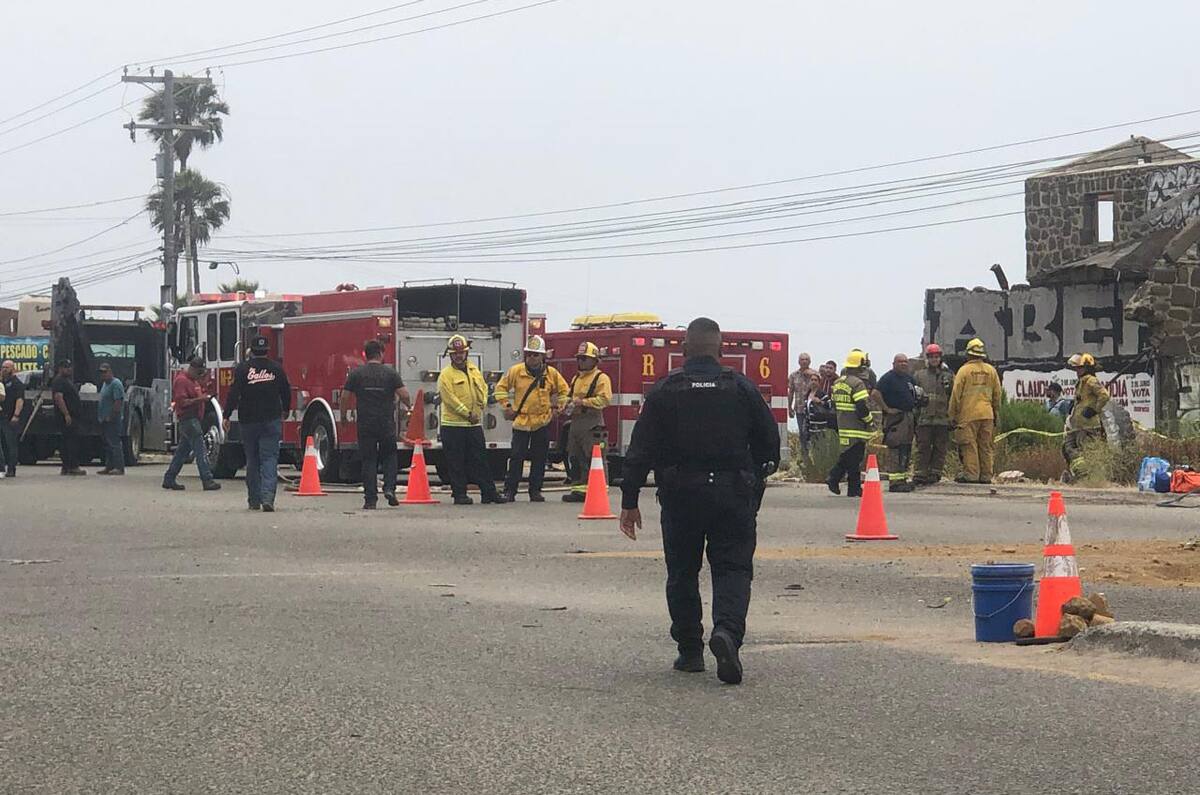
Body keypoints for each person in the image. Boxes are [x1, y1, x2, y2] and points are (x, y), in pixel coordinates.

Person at [619, 317, 779, 685]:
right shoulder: (741, 388)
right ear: (721, 350)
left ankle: (690, 651)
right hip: (732, 494)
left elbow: (640, 450)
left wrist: (630, 500)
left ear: (684, 350)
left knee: (682, 573)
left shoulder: (665, 390)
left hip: (681, 496)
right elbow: (770, 443)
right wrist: (753, 482)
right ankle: (727, 634)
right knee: (733, 569)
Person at [494, 334, 567, 503]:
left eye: (535, 354)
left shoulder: (551, 374)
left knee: (539, 458)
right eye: (529, 354)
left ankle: (535, 491)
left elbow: (564, 391)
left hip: (542, 421)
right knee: (516, 457)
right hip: (522, 422)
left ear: (542, 356)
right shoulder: (516, 371)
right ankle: (510, 490)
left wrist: (560, 407)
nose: (532, 357)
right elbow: (500, 389)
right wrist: (507, 407)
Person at [223, 335, 290, 512]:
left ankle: (254, 499)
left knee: (252, 459)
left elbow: (233, 393)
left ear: (251, 351)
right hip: (271, 419)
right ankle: (268, 498)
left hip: (249, 420)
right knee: (269, 458)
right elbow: (286, 390)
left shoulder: (242, 369)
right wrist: (286, 409)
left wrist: (226, 415)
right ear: (267, 350)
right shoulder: (276, 368)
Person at [437, 334, 504, 506]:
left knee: (480, 459)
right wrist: (467, 413)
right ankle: (460, 494)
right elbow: (449, 399)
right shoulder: (446, 375)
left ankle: (488, 492)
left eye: (462, 352)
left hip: (474, 424)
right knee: (456, 462)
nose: (459, 356)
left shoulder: (474, 370)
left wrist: (480, 406)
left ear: (466, 353)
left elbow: (482, 387)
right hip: (453, 425)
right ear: (450, 355)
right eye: (455, 353)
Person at [344, 339, 410, 510]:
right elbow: (403, 394)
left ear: (365, 354)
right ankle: (389, 488)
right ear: (381, 353)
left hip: (365, 423)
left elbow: (345, 397)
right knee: (389, 456)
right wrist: (408, 406)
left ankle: (370, 499)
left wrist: (344, 417)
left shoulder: (357, 374)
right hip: (386, 422)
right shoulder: (390, 373)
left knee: (368, 460)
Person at [561, 341, 613, 503]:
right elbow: (569, 397)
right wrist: (563, 405)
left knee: (594, 459)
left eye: (584, 358)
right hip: (576, 423)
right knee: (575, 458)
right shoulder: (576, 378)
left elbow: (604, 400)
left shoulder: (601, 378)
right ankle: (579, 491)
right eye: (579, 358)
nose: (580, 361)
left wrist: (583, 402)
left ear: (594, 360)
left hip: (592, 424)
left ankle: (598, 492)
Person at [948, 337, 1002, 484]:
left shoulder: (964, 371)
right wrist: (996, 413)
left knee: (968, 445)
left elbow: (955, 394)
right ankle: (986, 476)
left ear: (968, 354)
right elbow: (997, 394)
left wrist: (952, 415)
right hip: (987, 414)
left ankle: (971, 475)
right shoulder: (991, 371)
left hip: (968, 414)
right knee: (985, 446)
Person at [164, 357, 221, 492]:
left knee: (182, 452)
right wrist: (200, 399)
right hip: (188, 419)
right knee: (200, 450)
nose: (199, 375)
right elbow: (182, 402)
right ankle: (207, 480)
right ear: (193, 368)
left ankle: (169, 478)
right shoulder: (181, 381)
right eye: (199, 372)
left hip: (194, 419)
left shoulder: (192, 380)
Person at [826, 350, 875, 498]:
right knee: (853, 458)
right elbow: (862, 407)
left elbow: (834, 404)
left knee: (850, 457)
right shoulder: (857, 383)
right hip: (856, 427)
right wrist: (870, 420)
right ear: (860, 366)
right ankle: (835, 478)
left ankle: (853, 488)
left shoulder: (838, 382)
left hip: (843, 425)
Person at [1062, 353, 1110, 483]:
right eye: (1076, 369)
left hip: (1089, 426)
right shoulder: (1081, 382)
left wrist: (1095, 410)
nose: (1077, 371)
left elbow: (1104, 395)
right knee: (1068, 447)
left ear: (1087, 368)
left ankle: (1088, 478)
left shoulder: (1091, 381)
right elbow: (1083, 400)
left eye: (1079, 368)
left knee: (1088, 452)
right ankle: (1081, 474)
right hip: (1077, 425)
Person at [873, 353, 917, 490]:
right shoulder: (888, 378)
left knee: (906, 448)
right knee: (895, 448)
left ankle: (902, 479)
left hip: (908, 416)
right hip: (895, 419)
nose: (903, 364)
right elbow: (875, 393)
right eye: (900, 362)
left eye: (905, 362)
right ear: (894, 364)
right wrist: (887, 409)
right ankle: (895, 482)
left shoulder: (909, 378)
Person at [912, 344, 953, 486]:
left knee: (939, 448)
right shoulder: (919, 375)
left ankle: (935, 473)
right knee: (923, 447)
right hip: (924, 419)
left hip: (942, 419)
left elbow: (952, 397)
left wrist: (951, 417)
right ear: (927, 358)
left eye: (937, 357)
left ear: (940, 357)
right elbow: (915, 397)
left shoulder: (948, 376)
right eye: (932, 357)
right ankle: (920, 474)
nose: (934, 359)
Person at [50, 359, 86, 476]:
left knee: (67, 441)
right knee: (71, 442)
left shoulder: (66, 380)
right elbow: (58, 398)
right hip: (66, 417)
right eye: (66, 367)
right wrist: (66, 414)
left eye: (70, 367)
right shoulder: (59, 381)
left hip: (71, 416)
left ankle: (66, 467)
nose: (69, 369)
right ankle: (72, 466)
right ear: (60, 368)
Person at [96, 363, 126, 475]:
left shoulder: (116, 384)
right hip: (104, 419)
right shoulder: (105, 384)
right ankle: (109, 466)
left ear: (110, 372)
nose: (103, 375)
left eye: (105, 372)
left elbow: (118, 401)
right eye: (101, 373)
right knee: (107, 444)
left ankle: (119, 467)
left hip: (113, 419)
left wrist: (111, 416)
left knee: (114, 443)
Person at [787, 353, 817, 461]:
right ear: (798, 362)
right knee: (802, 432)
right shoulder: (793, 376)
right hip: (799, 408)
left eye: (806, 359)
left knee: (813, 432)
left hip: (813, 409)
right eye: (802, 359)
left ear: (810, 361)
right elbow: (791, 392)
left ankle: (815, 455)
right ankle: (805, 456)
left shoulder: (814, 375)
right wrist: (789, 407)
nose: (804, 361)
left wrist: (812, 374)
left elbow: (821, 384)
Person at [0, 359, 23, 478]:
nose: (4, 370)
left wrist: (16, 415)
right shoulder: (2, 382)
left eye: (7, 368)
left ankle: (11, 468)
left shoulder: (16, 383)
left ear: (13, 369)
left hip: (10, 418)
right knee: (2, 445)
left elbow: (19, 400)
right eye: (3, 367)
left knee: (11, 444)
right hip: (1, 416)